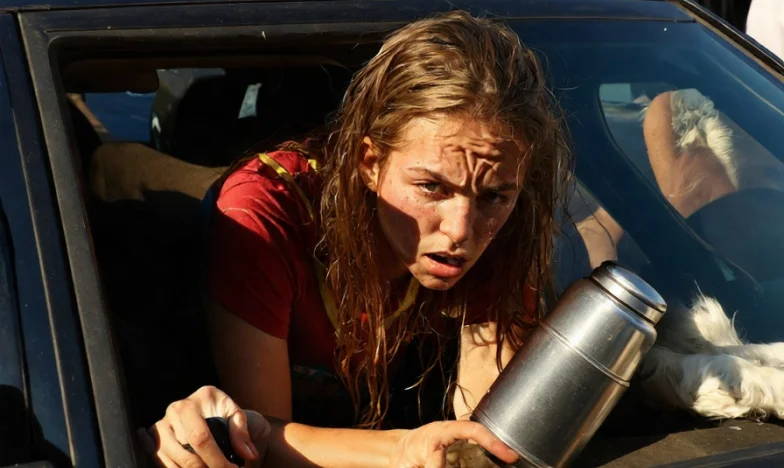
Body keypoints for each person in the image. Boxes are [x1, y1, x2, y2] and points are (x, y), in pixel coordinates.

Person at [143, 10, 569, 468]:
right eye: (431, 187)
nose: (461, 230)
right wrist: (405, 449)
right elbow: (261, 439)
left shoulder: (506, 223)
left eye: (494, 196)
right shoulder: (266, 217)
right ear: (370, 162)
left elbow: (486, 435)